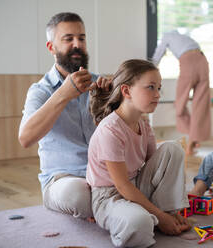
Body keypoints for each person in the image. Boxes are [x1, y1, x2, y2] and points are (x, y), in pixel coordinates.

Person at [87, 59, 191, 247]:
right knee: (139, 224)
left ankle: (166, 211)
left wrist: (165, 212)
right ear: (126, 91)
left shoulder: (143, 123)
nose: (158, 94)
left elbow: (156, 167)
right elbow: (122, 186)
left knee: (172, 148)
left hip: (135, 186)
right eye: (151, 87)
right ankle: (150, 217)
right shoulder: (110, 130)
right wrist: (158, 216)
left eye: (159, 88)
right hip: (110, 197)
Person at [18, 12, 109, 219]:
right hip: (64, 180)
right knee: (78, 195)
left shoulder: (100, 84)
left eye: (82, 38)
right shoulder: (40, 90)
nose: (77, 44)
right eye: (68, 39)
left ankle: (111, 207)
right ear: (51, 47)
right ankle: (114, 207)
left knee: (167, 152)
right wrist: (63, 94)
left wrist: (112, 106)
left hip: (106, 175)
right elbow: (25, 138)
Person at [151, 30, 211, 155]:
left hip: (189, 61)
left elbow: (159, 54)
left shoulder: (166, 35)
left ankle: (191, 141)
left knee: (180, 103)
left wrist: (149, 68)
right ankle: (194, 138)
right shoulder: (185, 37)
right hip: (203, 60)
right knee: (201, 105)